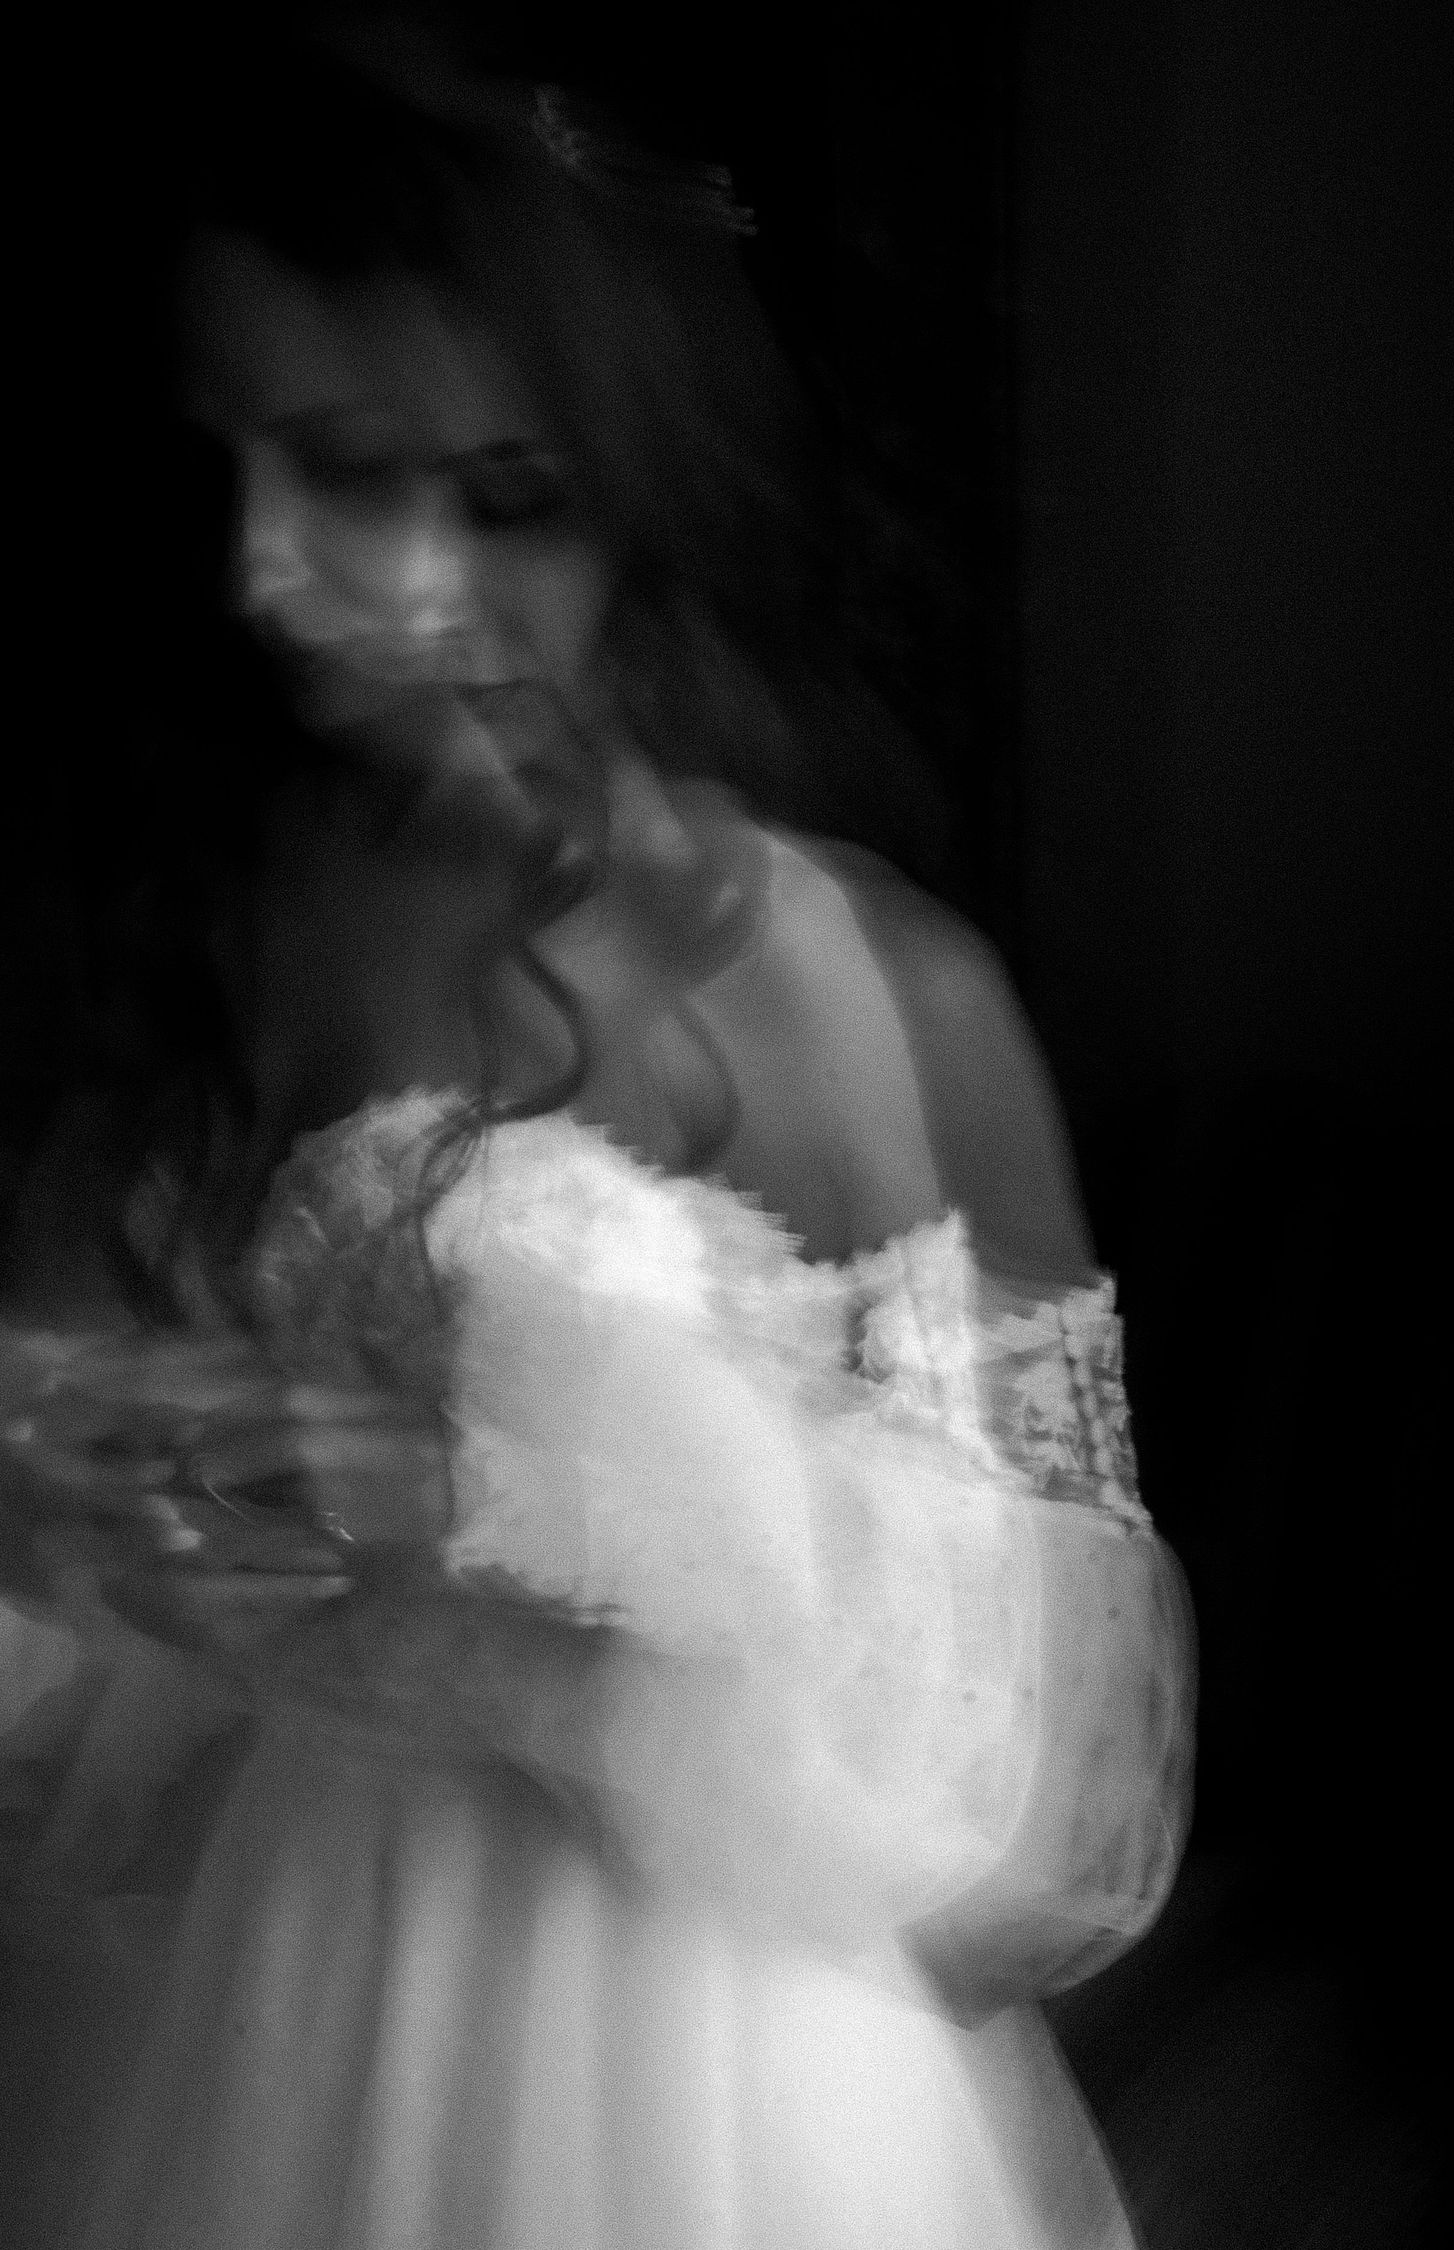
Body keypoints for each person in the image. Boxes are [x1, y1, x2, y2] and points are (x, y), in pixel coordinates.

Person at [1, 20, 1192, 2247]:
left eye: (348, 462)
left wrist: (506, 1530)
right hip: (278, 1997)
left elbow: (1044, 1800)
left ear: (573, 475)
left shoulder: (868, 992)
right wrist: (70, 1499)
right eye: (233, 460)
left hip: (704, 2080)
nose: (261, 569)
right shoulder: (205, 916)